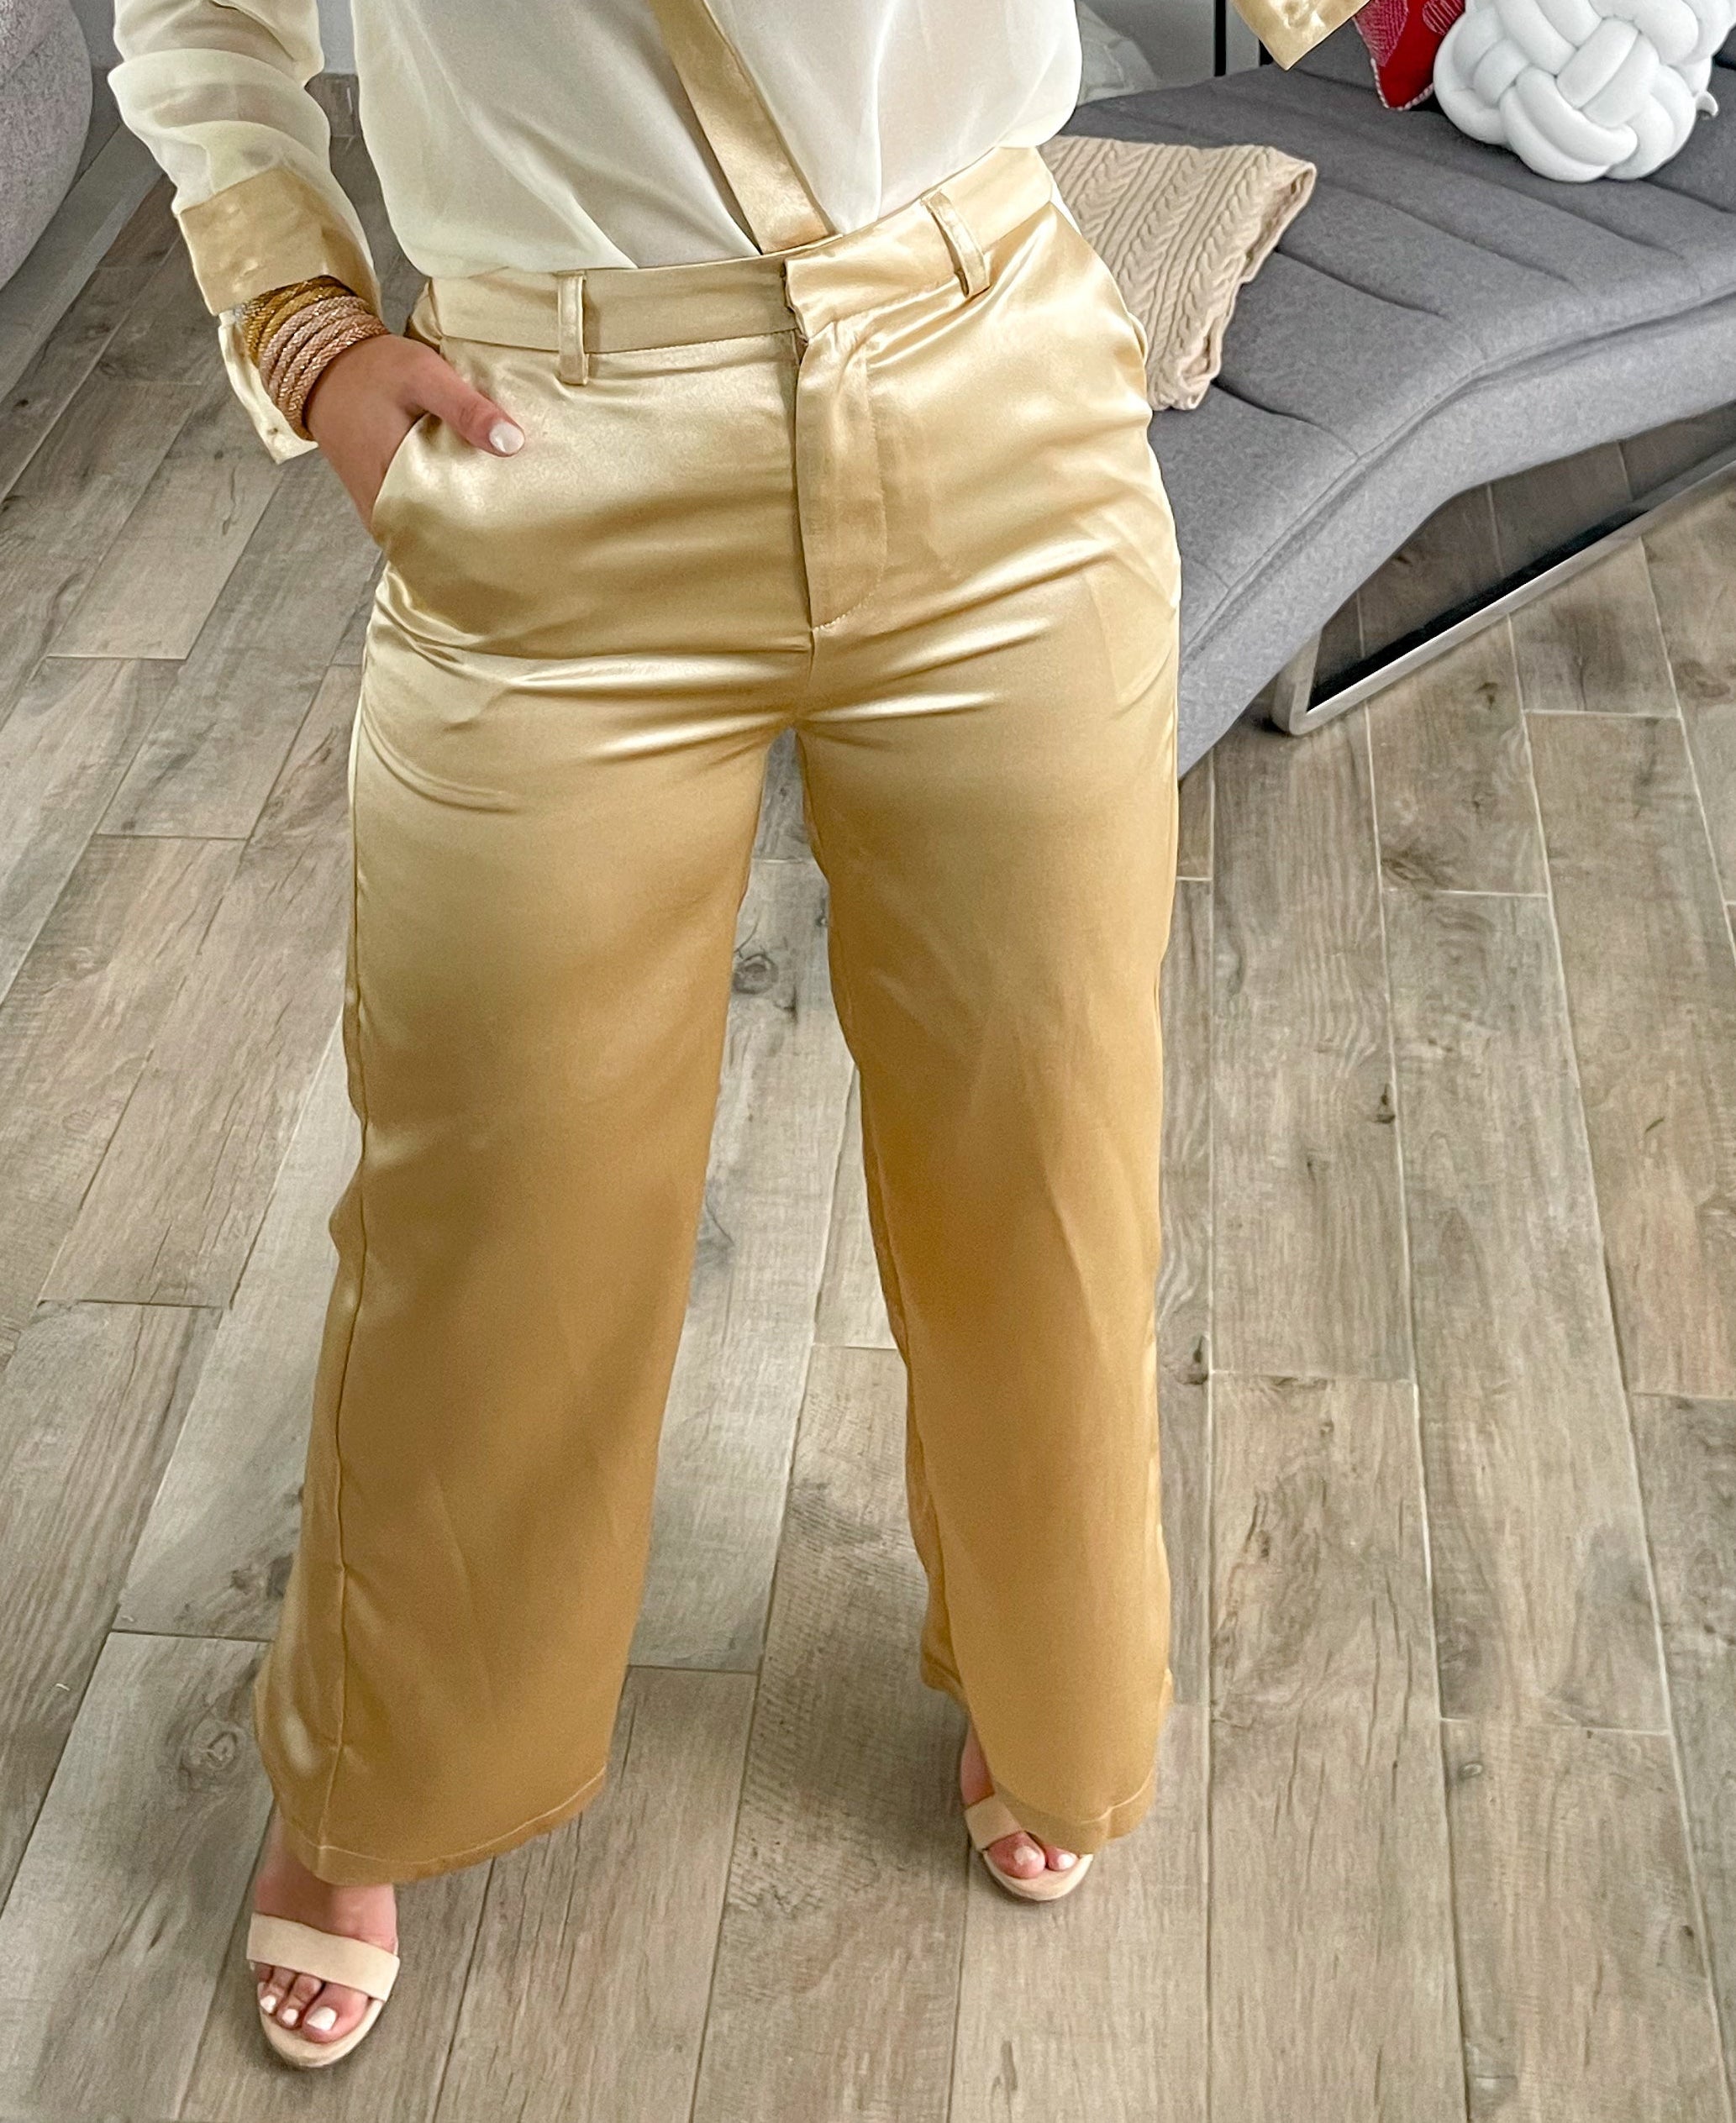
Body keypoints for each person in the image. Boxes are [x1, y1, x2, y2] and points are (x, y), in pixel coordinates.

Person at [104, 0, 1302, 2073]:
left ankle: (1056, 1693)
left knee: (1045, 1148)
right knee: (493, 1198)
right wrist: (296, 319)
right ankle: (383, 1767)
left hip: (987, 380)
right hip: (546, 435)